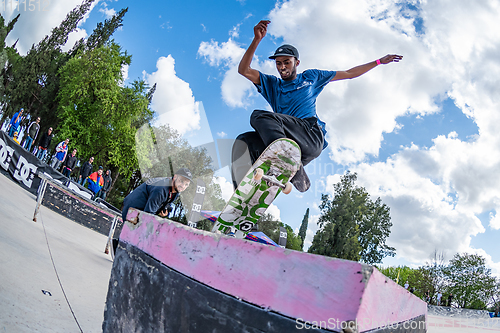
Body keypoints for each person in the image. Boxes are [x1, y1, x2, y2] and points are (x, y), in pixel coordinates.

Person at [234, 20, 403, 191]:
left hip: (310, 136)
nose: (282, 67)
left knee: (259, 116)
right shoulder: (271, 84)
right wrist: (256, 40)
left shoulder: (311, 77)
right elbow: (244, 70)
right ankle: (244, 193)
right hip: (292, 149)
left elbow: (350, 73)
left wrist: (379, 62)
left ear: (296, 63)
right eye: (278, 63)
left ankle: (285, 159)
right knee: (243, 141)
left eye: (287, 62)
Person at [121, 168, 192, 222]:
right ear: (175, 177)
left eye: (186, 184)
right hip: (132, 209)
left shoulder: (176, 190)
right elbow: (148, 214)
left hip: (142, 211)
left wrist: (164, 209)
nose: (183, 186)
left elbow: (165, 202)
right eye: (181, 181)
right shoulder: (161, 188)